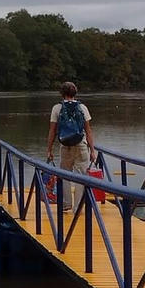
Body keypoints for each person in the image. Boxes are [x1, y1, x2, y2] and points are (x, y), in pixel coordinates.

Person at [46, 81, 97, 211]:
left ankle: (66, 203)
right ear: (75, 93)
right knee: (81, 176)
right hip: (81, 145)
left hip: (65, 145)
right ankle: (78, 207)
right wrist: (92, 150)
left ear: (62, 93)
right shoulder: (82, 108)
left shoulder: (57, 108)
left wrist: (49, 150)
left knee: (64, 175)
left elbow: (52, 131)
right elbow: (88, 130)